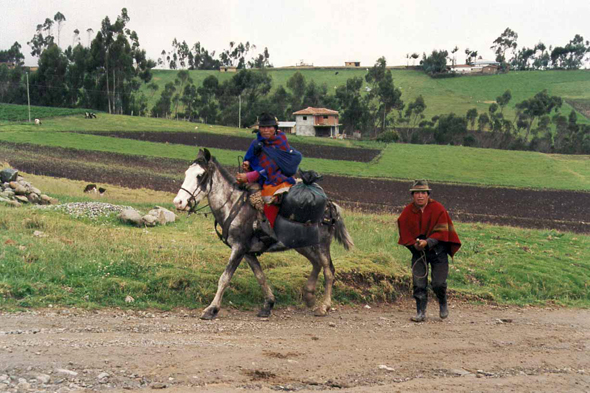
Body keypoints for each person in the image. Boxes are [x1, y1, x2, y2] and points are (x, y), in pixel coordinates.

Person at [397, 180, 461, 322]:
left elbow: (442, 232)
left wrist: (428, 242)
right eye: (417, 193)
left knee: (438, 283)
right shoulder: (407, 212)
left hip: (438, 252)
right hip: (419, 254)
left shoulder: (438, 209)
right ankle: (420, 312)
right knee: (418, 283)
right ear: (412, 195)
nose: (420, 196)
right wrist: (415, 245)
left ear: (428, 195)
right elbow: (404, 233)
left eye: (423, 193)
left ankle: (442, 302)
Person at [236, 113, 299, 231]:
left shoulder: (281, 143)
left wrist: (251, 175)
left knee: (269, 197)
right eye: (263, 127)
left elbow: (275, 167)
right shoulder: (256, 144)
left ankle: (272, 227)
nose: (265, 130)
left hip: (278, 178)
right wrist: (247, 164)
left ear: (275, 129)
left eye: (269, 127)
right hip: (259, 179)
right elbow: (249, 158)